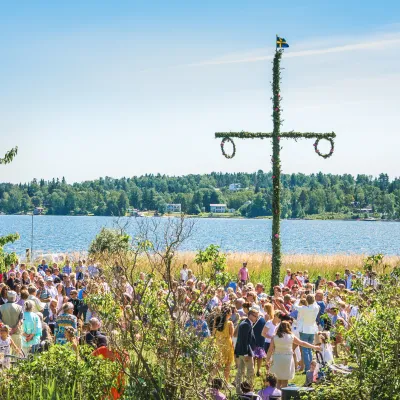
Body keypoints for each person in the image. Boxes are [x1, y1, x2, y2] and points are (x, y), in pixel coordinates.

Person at [266, 321, 320, 389]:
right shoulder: (291, 336)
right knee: (285, 379)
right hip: (287, 359)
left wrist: (267, 360)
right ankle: (284, 395)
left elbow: (270, 350)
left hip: (277, 358)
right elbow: (302, 343)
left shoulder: (274, 337)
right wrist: (314, 347)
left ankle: (277, 395)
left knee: (277, 379)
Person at [235, 307, 258, 392]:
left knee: (240, 372)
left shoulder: (246, 323)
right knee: (250, 372)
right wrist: (246, 354)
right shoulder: (246, 324)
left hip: (242, 351)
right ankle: (249, 390)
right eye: (255, 316)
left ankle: (239, 390)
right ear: (250, 315)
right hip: (245, 352)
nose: (256, 318)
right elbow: (244, 340)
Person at [295, 294, 320, 373]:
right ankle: (311, 368)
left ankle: (307, 369)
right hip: (312, 329)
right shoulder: (316, 307)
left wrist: (299, 299)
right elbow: (314, 303)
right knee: (309, 349)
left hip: (305, 330)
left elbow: (295, 306)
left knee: (305, 350)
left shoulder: (304, 308)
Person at [213, 305, 234, 382]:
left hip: (218, 343)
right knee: (227, 365)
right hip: (227, 344)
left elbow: (213, 333)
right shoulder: (229, 323)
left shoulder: (216, 321)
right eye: (231, 312)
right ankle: (225, 382)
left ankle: (211, 380)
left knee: (217, 364)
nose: (231, 313)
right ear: (228, 313)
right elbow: (231, 335)